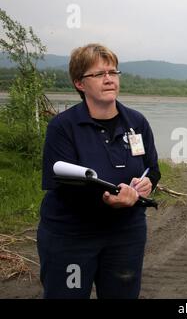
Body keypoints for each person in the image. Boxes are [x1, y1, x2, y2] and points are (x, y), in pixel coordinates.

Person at [37, 43, 160, 299]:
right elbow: (62, 186)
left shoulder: (136, 122)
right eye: (99, 74)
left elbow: (153, 170)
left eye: (113, 72)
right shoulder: (63, 127)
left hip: (126, 234)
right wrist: (111, 200)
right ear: (80, 84)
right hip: (71, 236)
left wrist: (146, 185)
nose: (109, 79)